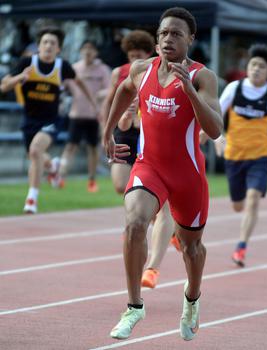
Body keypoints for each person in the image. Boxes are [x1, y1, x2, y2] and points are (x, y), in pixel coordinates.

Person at [103, 7, 222, 341]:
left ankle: (192, 299)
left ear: (190, 40)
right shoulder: (142, 69)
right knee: (134, 223)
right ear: (157, 37)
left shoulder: (202, 76)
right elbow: (125, 89)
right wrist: (108, 131)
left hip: (187, 175)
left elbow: (215, 129)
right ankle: (134, 306)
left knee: (191, 249)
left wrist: (190, 92)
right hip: (149, 166)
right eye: (164, 33)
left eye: (177, 34)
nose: (169, 39)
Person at [101, 30, 177, 289]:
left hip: (152, 134)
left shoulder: (159, 73)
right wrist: (110, 126)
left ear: (150, 52)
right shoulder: (121, 73)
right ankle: (147, 216)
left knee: (156, 203)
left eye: (139, 55)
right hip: (126, 131)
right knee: (120, 185)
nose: (134, 59)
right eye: (131, 56)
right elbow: (115, 99)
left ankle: (153, 253)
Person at [0, 27, 96, 214]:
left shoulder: (62, 67)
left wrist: (92, 103)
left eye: (53, 43)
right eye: (45, 42)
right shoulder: (27, 63)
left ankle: (32, 198)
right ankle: (53, 166)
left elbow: (79, 82)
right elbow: (4, 87)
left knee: (35, 150)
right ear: (39, 46)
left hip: (51, 120)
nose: (48, 46)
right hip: (30, 120)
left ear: (58, 48)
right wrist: (21, 77)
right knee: (35, 155)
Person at [214, 44, 267, 267]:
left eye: (262, 66)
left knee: (253, 199)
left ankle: (241, 246)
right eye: (253, 64)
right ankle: (241, 231)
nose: (256, 69)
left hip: (260, 157)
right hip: (234, 155)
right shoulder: (233, 89)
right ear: (247, 67)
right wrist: (217, 137)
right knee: (238, 205)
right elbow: (215, 114)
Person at [56, 40, 111, 192]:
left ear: (96, 52)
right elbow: (62, 86)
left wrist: (98, 95)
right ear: (81, 51)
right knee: (70, 146)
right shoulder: (74, 68)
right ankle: (60, 177)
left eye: (91, 49)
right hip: (76, 114)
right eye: (85, 49)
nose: (88, 52)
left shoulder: (103, 70)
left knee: (93, 149)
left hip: (94, 115)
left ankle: (92, 180)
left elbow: (110, 89)